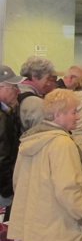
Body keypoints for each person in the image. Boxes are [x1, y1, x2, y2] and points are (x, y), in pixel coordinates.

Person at [8, 89, 82, 241]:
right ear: (58, 114)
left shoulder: (29, 140)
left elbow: (17, 182)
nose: (78, 116)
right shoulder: (62, 143)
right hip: (60, 227)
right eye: (73, 112)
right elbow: (68, 187)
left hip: (34, 226)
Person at [0, 66, 23, 220]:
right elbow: (2, 155)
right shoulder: (2, 117)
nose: (17, 91)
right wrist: (8, 187)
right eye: (13, 87)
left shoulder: (7, 112)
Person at [16, 56, 57, 132]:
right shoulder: (35, 103)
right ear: (34, 76)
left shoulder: (16, 91)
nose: (48, 84)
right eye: (47, 78)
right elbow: (41, 135)